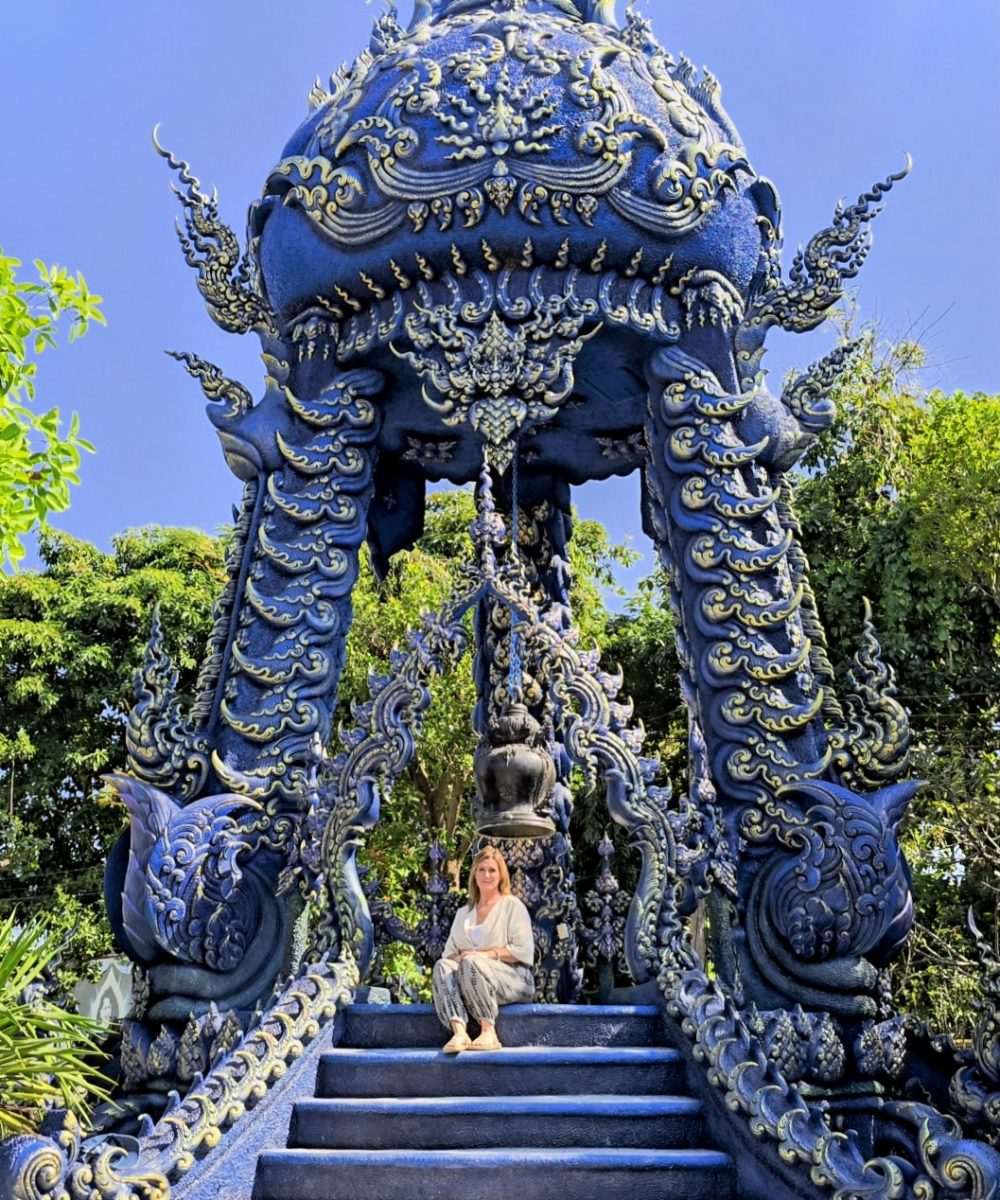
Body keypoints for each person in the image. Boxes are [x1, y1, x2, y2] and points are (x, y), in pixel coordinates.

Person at [431, 845, 535, 1052]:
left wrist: (484, 955)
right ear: (474, 874)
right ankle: (460, 1032)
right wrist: (461, 959)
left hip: (513, 979)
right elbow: (449, 952)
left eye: (492, 870)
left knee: (472, 961)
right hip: (469, 977)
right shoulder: (464, 913)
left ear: (501, 876)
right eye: (482, 870)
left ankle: (489, 1032)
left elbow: (523, 951)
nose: (486, 875)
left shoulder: (512, 906)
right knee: (442, 965)